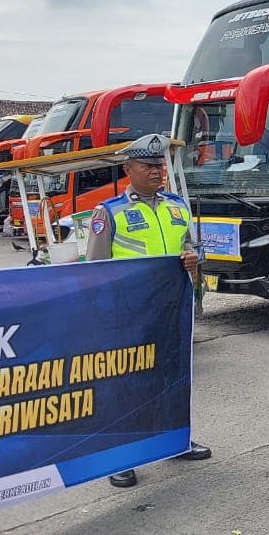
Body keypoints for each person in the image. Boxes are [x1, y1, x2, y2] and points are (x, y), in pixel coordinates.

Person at [85, 134, 214, 488]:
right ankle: (120, 456)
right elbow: (94, 269)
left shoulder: (177, 206)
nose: (158, 171)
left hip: (170, 310)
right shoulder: (108, 213)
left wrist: (194, 258)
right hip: (128, 314)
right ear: (128, 169)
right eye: (149, 166)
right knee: (126, 384)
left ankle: (174, 442)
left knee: (172, 377)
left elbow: (191, 249)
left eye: (160, 165)